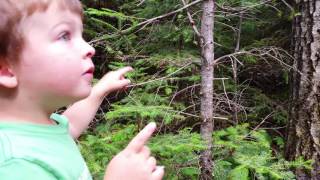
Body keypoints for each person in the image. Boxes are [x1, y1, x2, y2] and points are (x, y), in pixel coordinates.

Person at [0, 0, 164, 179]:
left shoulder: (40, 126)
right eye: (64, 35)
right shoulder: (16, 163)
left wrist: (100, 90)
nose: (90, 48)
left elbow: (69, 126)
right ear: (6, 69)